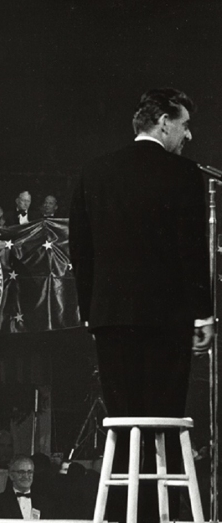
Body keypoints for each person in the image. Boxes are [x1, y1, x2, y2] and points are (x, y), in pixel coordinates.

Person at [69, 88, 214, 522]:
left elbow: (80, 248)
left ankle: (124, 513)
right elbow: (194, 252)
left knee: (125, 420)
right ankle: (159, 516)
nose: (188, 135)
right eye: (185, 125)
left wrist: (93, 312)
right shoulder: (186, 174)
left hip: (111, 320)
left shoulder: (94, 172)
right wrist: (203, 312)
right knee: (164, 421)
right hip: (166, 322)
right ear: (165, 122)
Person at [0, 455, 54, 519]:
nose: (26, 476)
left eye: (29, 472)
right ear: (11, 475)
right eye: (21, 472)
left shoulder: (44, 502)